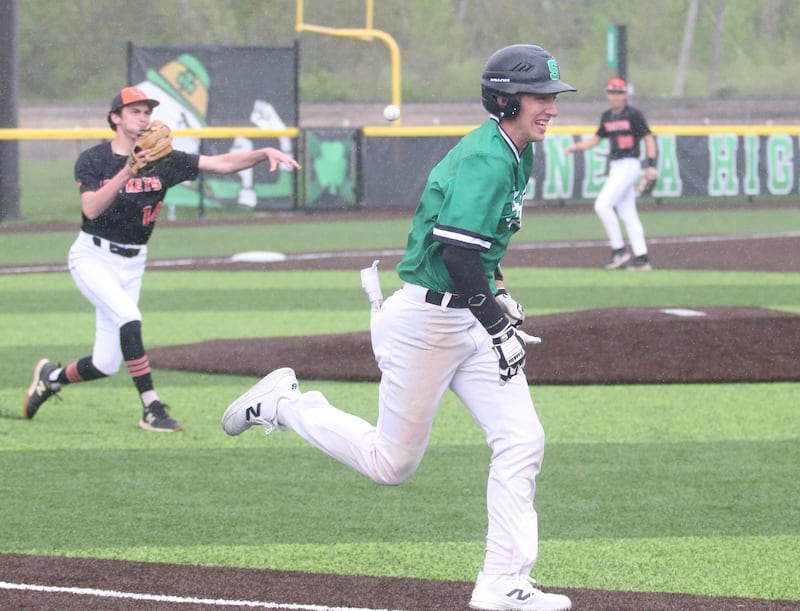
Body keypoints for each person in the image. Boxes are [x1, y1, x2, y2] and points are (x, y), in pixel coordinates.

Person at [222, 45, 574, 611]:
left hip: (465, 314)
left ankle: (501, 581)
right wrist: (496, 322)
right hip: (427, 323)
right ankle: (286, 405)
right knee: (392, 465)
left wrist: (498, 294)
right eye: (541, 97)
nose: (552, 108)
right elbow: (457, 252)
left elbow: (480, 250)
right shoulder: (488, 156)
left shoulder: (517, 149)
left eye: (553, 98)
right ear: (505, 99)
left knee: (522, 439)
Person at [23, 86, 300, 431]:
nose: (144, 118)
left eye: (147, 112)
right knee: (129, 317)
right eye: (135, 111)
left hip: (133, 262)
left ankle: (52, 377)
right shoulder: (93, 160)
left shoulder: (164, 161)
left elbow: (221, 163)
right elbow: (90, 208)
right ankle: (152, 408)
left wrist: (263, 152)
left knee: (105, 364)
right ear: (115, 118)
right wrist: (128, 170)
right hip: (92, 256)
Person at [565, 77, 658, 270]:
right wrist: (576, 147)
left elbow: (648, 138)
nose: (616, 96)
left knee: (602, 205)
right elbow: (596, 139)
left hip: (630, 164)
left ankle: (619, 251)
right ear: (608, 95)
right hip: (617, 166)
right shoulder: (607, 116)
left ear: (625, 95)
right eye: (613, 92)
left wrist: (651, 164)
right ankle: (642, 258)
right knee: (628, 213)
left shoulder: (633, 114)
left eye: (619, 93)